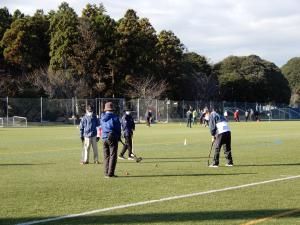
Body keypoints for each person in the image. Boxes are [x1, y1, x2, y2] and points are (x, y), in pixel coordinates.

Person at [100, 102, 121, 178]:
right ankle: (110, 173)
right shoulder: (115, 117)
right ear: (112, 109)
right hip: (112, 137)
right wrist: (119, 136)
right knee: (113, 155)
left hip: (104, 137)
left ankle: (106, 172)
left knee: (106, 156)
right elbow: (118, 128)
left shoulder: (102, 117)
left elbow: (101, 126)